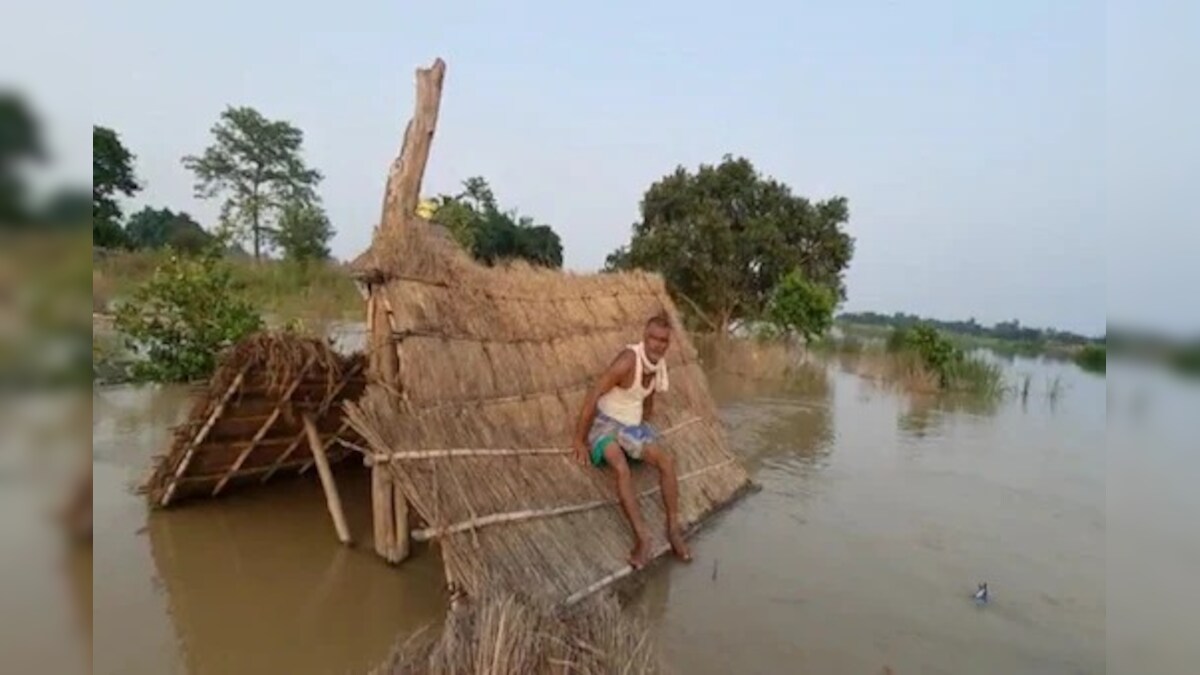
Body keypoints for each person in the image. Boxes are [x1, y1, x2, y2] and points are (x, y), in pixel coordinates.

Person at [572, 312, 692, 568]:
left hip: (630, 427)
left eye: (663, 340)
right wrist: (580, 440)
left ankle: (673, 529)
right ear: (644, 337)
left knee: (667, 462)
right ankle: (642, 539)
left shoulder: (657, 366)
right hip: (605, 425)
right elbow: (594, 394)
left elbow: (647, 399)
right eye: (653, 338)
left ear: (668, 343)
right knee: (621, 467)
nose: (657, 344)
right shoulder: (628, 361)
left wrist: (642, 431)